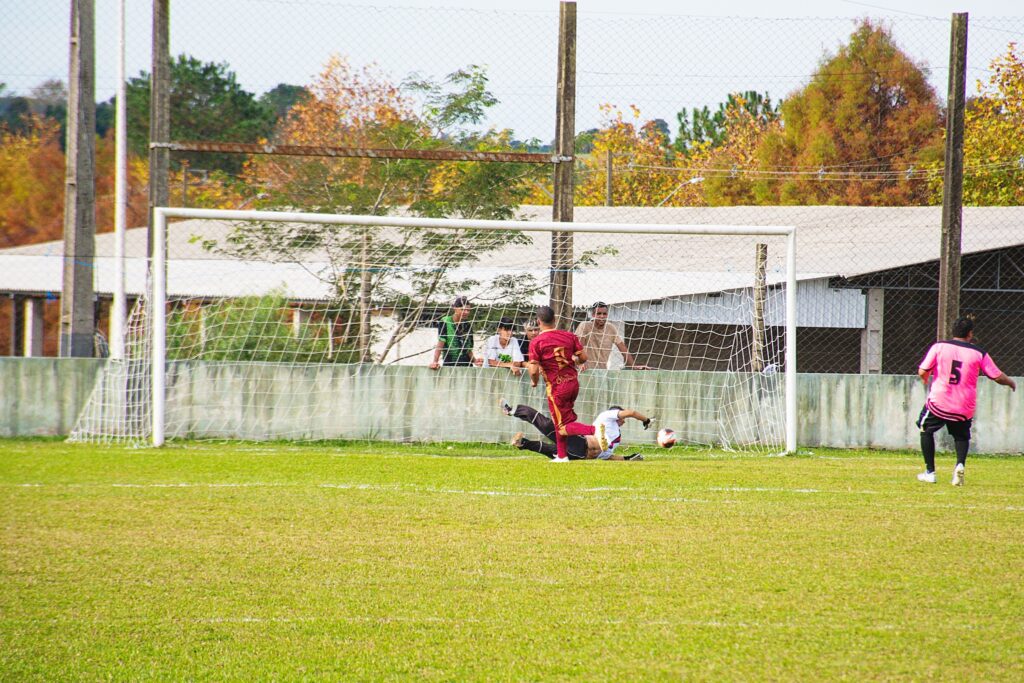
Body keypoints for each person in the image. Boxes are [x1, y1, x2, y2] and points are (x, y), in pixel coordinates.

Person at [915, 316, 1016, 486]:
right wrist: (1011, 382)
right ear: (970, 334)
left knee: (925, 429)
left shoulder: (939, 347)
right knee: (961, 436)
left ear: (952, 331)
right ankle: (959, 465)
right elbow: (997, 376)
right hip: (963, 405)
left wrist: (925, 379)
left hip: (939, 402)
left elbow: (923, 370)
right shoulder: (979, 353)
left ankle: (930, 472)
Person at [527, 305, 597, 462]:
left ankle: (594, 429)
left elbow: (533, 369)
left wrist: (534, 381)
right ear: (555, 319)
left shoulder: (536, 342)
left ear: (538, 322)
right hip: (573, 384)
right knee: (561, 421)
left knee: (562, 426)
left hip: (557, 388)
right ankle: (562, 455)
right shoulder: (569, 336)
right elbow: (583, 358)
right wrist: (575, 360)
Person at [501, 400, 649, 461]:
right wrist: (646, 420)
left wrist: (627, 458)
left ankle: (522, 443)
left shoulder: (616, 436)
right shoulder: (606, 417)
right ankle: (513, 410)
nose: (624, 419)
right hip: (579, 442)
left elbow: (607, 456)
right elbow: (631, 412)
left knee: (549, 450)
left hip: (581, 456)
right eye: (621, 416)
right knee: (547, 426)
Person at [574, 301, 648, 370]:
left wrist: (634, 366)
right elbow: (578, 347)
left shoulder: (611, 328)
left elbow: (623, 348)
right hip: (585, 370)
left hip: (602, 371)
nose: (602, 316)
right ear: (593, 315)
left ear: (607, 315)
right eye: (599, 314)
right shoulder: (585, 326)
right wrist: (580, 362)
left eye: (604, 314)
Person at [429, 296, 480, 369]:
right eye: (463, 309)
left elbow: (468, 349)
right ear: (455, 308)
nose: (466, 312)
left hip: (467, 367)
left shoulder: (467, 325)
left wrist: (475, 361)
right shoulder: (445, 321)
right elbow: (440, 344)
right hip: (450, 365)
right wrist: (435, 361)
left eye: (468, 310)